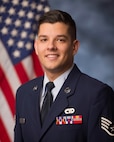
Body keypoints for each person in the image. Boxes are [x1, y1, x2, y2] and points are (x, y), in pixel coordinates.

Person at [14, 10, 114, 142]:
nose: (51, 47)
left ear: (74, 47)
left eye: (60, 40)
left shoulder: (97, 94)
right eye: (44, 40)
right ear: (36, 47)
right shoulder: (23, 93)